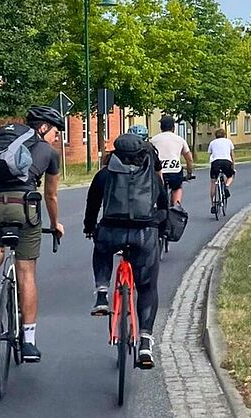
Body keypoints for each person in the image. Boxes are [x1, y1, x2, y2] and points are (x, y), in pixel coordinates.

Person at [0, 105, 65, 363]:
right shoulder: (49, 153)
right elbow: (50, 195)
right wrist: (56, 223)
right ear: (43, 127)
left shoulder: (3, 142)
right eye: (56, 131)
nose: (57, 137)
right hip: (24, 208)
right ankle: (28, 342)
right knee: (26, 272)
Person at [83, 133, 167, 369]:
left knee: (101, 246)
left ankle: (101, 293)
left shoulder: (104, 174)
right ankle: (145, 343)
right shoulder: (151, 177)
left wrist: (90, 227)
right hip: (144, 234)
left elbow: (92, 204)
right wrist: (160, 225)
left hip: (112, 231)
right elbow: (163, 206)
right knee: (147, 287)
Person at [150, 115, 194, 205]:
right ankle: (176, 206)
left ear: (161, 127)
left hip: (159, 172)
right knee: (177, 187)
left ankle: (158, 207)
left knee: (158, 190)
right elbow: (189, 159)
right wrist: (189, 173)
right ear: (173, 127)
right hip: (175, 171)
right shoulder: (180, 140)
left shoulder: (153, 140)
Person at [208, 128, 235, 214]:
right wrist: (233, 166)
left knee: (213, 183)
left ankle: (213, 205)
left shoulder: (212, 143)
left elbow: (210, 154)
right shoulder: (229, 141)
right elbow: (232, 155)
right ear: (224, 135)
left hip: (215, 163)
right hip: (227, 162)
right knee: (230, 176)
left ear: (215, 135)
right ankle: (226, 186)